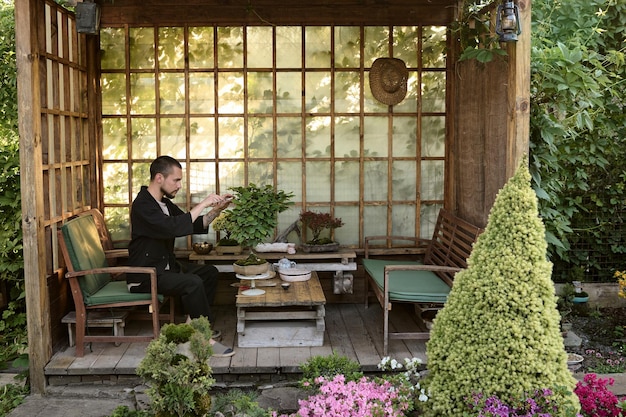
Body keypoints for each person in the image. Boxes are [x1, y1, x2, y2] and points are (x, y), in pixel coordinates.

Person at [127, 155, 235, 357]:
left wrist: (216, 210)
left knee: (209, 272)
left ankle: (193, 328)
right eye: (176, 180)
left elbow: (193, 224)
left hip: (166, 268)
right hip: (145, 274)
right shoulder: (143, 205)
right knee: (192, 282)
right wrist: (203, 203)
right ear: (159, 178)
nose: (179, 185)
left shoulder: (164, 204)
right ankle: (204, 338)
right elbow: (173, 228)